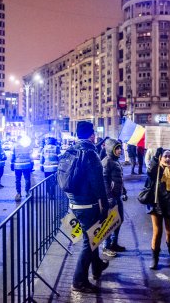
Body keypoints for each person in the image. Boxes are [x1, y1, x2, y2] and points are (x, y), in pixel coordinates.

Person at [69, 121, 110, 293]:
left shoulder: (71, 151)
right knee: (90, 241)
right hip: (88, 205)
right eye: (93, 133)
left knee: (92, 238)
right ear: (91, 135)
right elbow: (98, 183)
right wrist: (105, 205)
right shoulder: (90, 154)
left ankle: (97, 266)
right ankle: (79, 281)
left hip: (74, 204)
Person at [146, 148, 170, 269]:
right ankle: (154, 258)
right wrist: (155, 158)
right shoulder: (156, 169)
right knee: (157, 232)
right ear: (161, 158)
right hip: (157, 204)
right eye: (165, 156)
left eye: (169, 156)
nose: (167, 159)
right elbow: (149, 171)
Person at [101, 138, 127, 257]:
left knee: (119, 219)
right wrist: (109, 197)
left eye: (120, 148)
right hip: (111, 197)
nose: (119, 150)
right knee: (110, 222)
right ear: (111, 149)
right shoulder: (107, 161)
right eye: (117, 148)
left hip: (117, 195)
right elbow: (104, 180)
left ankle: (114, 243)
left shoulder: (115, 161)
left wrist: (124, 191)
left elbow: (119, 179)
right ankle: (106, 246)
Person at [11, 136, 33, 201]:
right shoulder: (27, 146)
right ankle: (27, 192)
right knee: (27, 179)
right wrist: (32, 164)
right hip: (26, 165)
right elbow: (31, 156)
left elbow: (12, 156)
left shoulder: (14, 146)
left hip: (17, 166)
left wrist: (11, 164)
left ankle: (18, 193)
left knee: (18, 180)